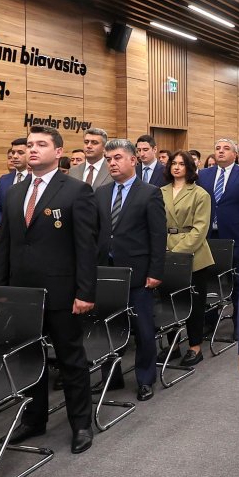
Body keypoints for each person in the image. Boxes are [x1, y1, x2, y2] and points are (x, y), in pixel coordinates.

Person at [0, 127, 98, 455]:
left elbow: (86, 248)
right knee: (29, 360)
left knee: (70, 360)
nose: (33, 149)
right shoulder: (14, 192)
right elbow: (5, 246)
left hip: (63, 292)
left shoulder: (76, 191)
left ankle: (81, 423)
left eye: (41, 144)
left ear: (58, 151)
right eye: (29, 145)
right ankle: (33, 419)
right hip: (23, 295)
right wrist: (1, 290)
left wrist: (85, 292)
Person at [96, 139, 166, 402]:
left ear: (132, 160)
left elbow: (158, 236)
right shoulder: (101, 193)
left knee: (144, 330)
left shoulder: (149, 192)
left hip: (138, 273)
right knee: (109, 327)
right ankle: (110, 378)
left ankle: (145, 379)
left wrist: (155, 271)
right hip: (108, 272)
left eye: (116, 158)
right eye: (108, 159)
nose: (112, 163)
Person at [163, 151, 213, 367]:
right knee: (168, 301)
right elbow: (155, 223)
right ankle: (173, 346)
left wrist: (179, 251)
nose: (176, 167)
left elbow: (200, 229)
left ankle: (195, 347)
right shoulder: (159, 192)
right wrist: (163, 247)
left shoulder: (200, 194)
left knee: (194, 302)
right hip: (165, 250)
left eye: (181, 164)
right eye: (173, 163)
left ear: (189, 168)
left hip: (194, 255)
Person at [197, 137, 239, 277]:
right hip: (207, 234)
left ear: (235, 155)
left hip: (235, 234)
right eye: (218, 148)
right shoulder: (203, 174)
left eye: (226, 149)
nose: (221, 151)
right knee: (208, 276)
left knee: (236, 274)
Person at [0, 138, 29, 232]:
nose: (14, 156)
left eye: (20, 153)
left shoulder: (36, 179)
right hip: (5, 234)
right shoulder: (3, 180)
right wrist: (3, 225)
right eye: (13, 152)